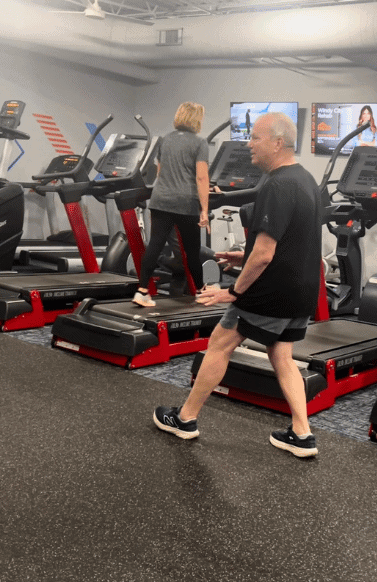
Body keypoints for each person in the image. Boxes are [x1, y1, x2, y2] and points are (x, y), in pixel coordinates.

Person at [152, 112, 325, 458]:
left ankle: (185, 419)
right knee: (282, 354)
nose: (249, 145)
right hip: (302, 290)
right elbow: (289, 241)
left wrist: (233, 291)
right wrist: (240, 257)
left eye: (256, 138)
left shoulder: (277, 184)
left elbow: (264, 254)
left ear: (277, 143)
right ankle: (302, 434)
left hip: (269, 291)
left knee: (219, 343)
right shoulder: (306, 179)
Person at [133, 102, 210, 307]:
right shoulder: (199, 143)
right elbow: (202, 178)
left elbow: (160, 173)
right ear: (197, 119)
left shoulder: (165, 140)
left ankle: (142, 291)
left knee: (155, 245)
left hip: (160, 199)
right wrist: (204, 210)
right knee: (192, 250)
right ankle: (201, 291)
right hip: (185, 203)